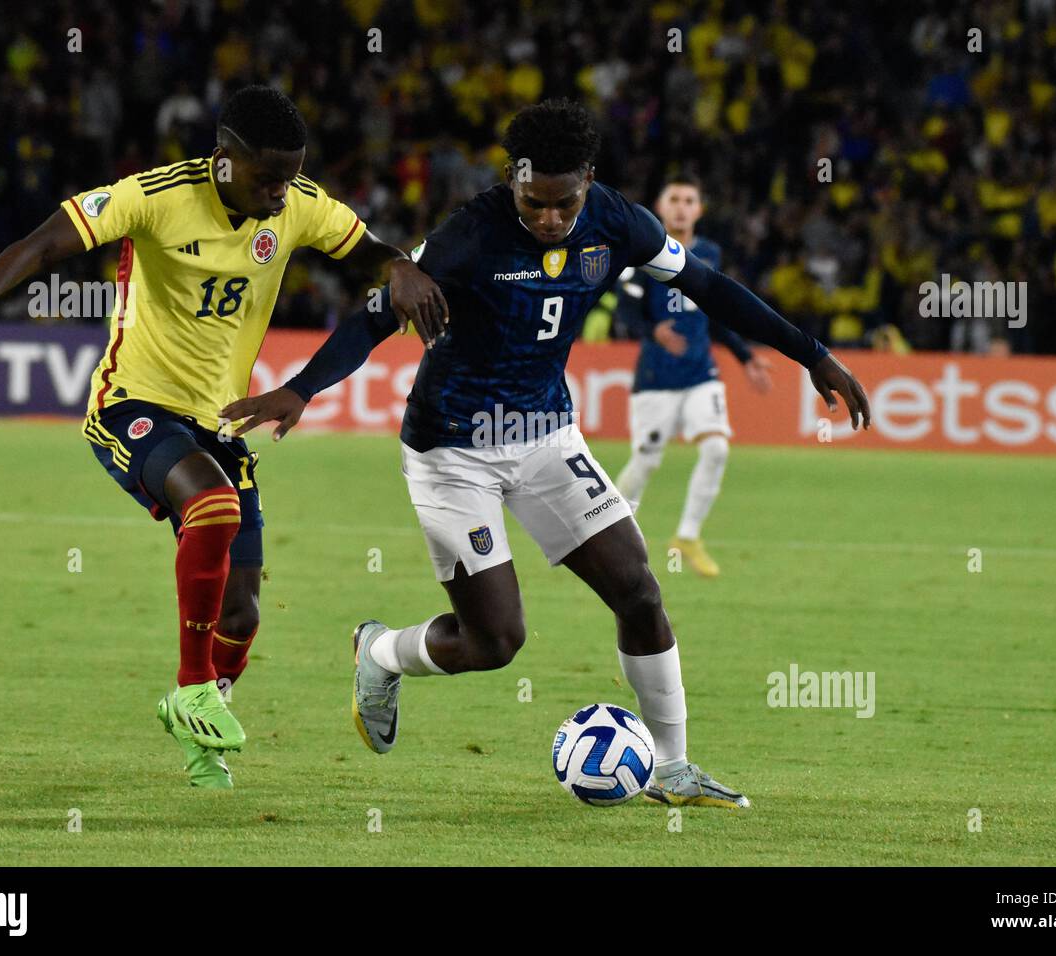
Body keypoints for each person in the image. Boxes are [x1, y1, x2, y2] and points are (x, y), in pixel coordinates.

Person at [221, 100, 871, 809]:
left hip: (547, 439)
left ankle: (673, 768)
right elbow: (376, 317)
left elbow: (709, 289)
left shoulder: (621, 223)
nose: (550, 218)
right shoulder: (468, 236)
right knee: (496, 641)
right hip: (452, 453)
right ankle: (380, 651)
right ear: (512, 181)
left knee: (640, 590)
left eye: (566, 203)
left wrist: (812, 354)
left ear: (589, 181)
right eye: (534, 202)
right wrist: (302, 388)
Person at [0, 85, 447, 789]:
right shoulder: (156, 196)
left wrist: (397, 265)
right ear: (223, 161)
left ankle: (200, 727)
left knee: (241, 615)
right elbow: (44, 243)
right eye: (267, 178)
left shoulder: (299, 203)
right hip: (133, 404)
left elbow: (370, 249)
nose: (280, 193)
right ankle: (190, 686)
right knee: (212, 506)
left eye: (289, 176)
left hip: (220, 420)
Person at [615, 178, 774, 577]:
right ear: (660, 207)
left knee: (717, 448)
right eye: (674, 200)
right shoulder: (641, 253)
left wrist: (744, 355)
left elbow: (717, 313)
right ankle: (607, 531)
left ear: (699, 210)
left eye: (690, 200)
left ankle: (686, 536)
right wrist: (655, 331)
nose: (682, 207)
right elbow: (626, 312)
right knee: (646, 460)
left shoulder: (709, 253)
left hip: (702, 373)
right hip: (655, 378)